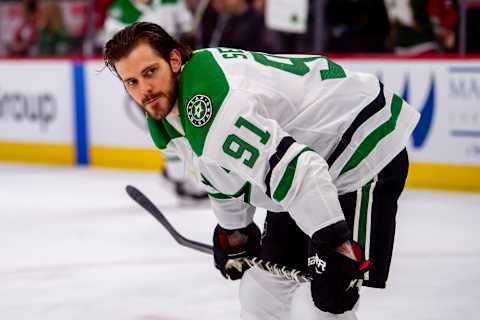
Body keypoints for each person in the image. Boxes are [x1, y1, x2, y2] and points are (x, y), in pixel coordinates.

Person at [104, 22, 420, 319]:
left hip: (360, 148)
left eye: (150, 72)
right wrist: (236, 232)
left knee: (328, 302)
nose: (144, 89)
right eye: (131, 81)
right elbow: (222, 175)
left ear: (174, 60)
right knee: (262, 292)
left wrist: (332, 242)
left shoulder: (216, 108)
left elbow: (301, 171)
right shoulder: (175, 112)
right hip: (302, 162)